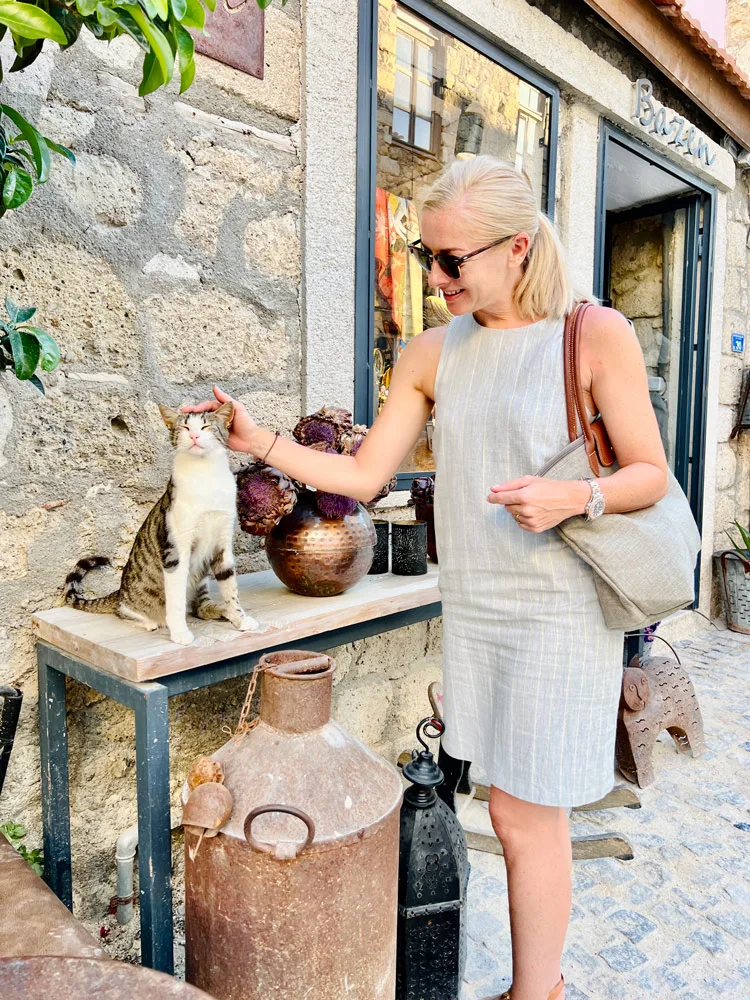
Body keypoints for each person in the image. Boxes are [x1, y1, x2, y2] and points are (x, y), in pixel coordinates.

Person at [187, 156, 668, 1000]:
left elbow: (649, 475)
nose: (436, 275)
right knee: (507, 806)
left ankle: (535, 992)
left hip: (560, 610)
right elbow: (367, 475)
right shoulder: (431, 353)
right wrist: (260, 443)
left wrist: (575, 494)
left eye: (454, 259)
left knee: (529, 815)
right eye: (425, 256)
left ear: (517, 248)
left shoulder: (592, 334)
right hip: (478, 609)